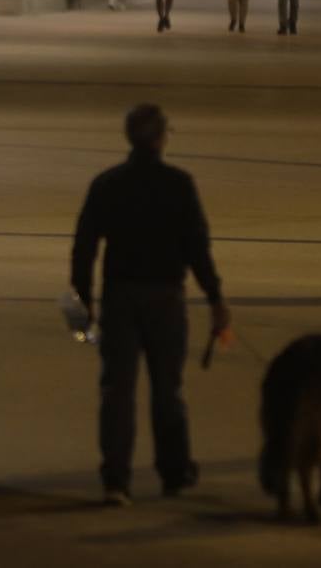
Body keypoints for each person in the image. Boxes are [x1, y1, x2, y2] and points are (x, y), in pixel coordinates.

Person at [70, 104, 231, 506]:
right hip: (165, 297)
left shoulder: (107, 184)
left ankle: (116, 480)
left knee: (117, 389)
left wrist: (82, 303)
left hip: (120, 296)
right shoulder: (178, 185)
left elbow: (84, 248)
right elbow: (197, 247)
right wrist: (215, 298)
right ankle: (174, 473)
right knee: (168, 389)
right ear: (161, 138)